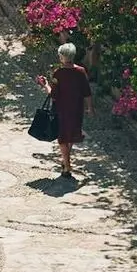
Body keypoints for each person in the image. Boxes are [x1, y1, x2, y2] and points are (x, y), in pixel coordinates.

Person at [36, 42, 93, 177]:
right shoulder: (81, 71)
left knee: (62, 137)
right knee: (71, 134)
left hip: (61, 109)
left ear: (62, 56)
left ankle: (67, 167)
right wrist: (90, 108)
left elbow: (53, 95)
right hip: (76, 108)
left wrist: (45, 85)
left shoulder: (58, 73)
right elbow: (87, 91)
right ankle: (65, 161)